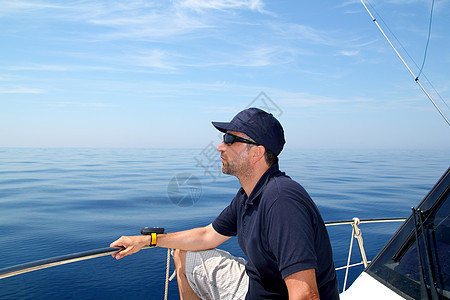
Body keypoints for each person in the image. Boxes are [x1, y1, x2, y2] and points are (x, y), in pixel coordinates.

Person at [110, 108, 339, 299]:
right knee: (182, 252)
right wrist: (147, 241)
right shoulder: (248, 195)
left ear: (257, 153)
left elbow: (305, 294)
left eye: (230, 140)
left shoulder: (282, 201)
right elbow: (206, 236)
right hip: (255, 289)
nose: (220, 147)